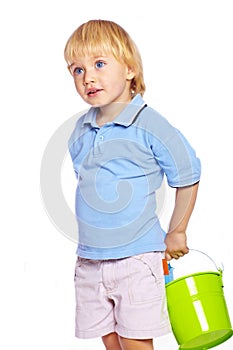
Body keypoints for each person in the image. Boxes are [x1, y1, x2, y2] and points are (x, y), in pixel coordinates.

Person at [64, 19, 201, 350]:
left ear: (128, 69)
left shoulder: (149, 124)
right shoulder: (81, 131)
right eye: (77, 70)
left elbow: (188, 174)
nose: (88, 78)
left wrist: (177, 230)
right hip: (91, 259)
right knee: (110, 341)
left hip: (137, 259)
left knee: (135, 341)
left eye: (99, 64)